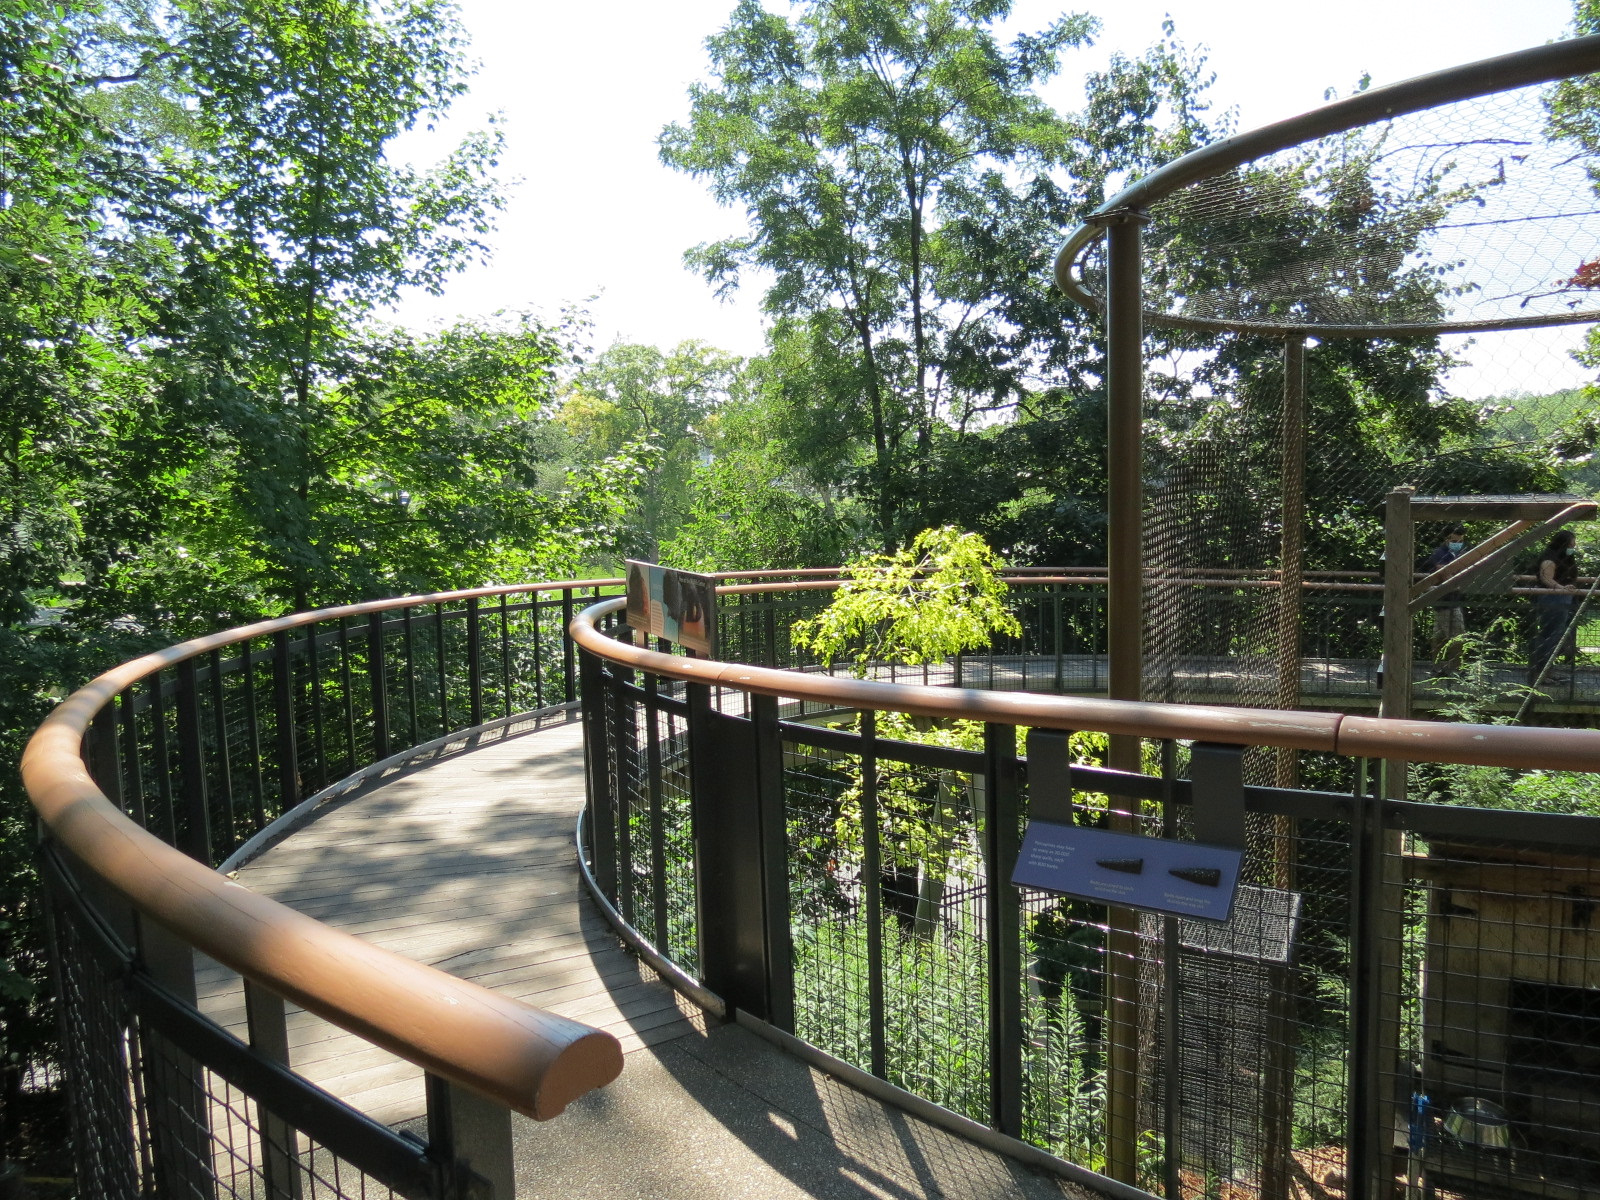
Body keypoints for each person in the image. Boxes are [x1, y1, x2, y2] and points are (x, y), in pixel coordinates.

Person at [1530, 529, 1580, 684]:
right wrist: (1561, 589)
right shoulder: (1550, 558)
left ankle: (1548, 670)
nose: (1573, 547)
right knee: (1549, 635)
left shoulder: (1564, 557)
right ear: (1563, 544)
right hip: (1553, 599)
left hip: (1563, 599)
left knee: (1556, 635)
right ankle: (1540, 673)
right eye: (1571, 544)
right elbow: (1547, 579)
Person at [1422, 524, 1468, 674]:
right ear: (1446, 539)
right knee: (1457, 635)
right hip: (1444, 599)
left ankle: (1437, 668)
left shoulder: (1461, 553)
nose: (1458, 544)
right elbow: (1445, 574)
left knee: (1440, 636)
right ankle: (1457, 670)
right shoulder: (1440, 553)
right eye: (1455, 541)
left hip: (1453, 599)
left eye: (1460, 540)